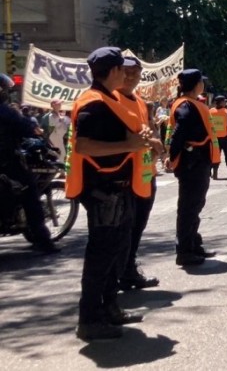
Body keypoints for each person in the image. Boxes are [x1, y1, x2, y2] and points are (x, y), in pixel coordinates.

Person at [66, 48, 150, 340]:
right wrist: (129, 146)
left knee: (115, 250)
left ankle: (109, 307)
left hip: (118, 188)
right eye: (122, 69)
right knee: (100, 255)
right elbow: (84, 146)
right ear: (113, 71)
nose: (127, 75)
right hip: (103, 191)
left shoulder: (111, 99)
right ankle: (89, 319)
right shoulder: (93, 103)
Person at [113, 57, 162, 291]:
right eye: (126, 71)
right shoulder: (112, 101)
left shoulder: (141, 102)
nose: (131, 76)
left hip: (145, 174)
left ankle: (129, 269)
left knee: (137, 226)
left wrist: (156, 145)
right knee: (123, 230)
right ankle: (119, 275)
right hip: (123, 177)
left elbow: (148, 130)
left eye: (135, 72)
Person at [0, 74, 59, 254]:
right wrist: (36, 132)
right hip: (5, 161)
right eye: (5, 89)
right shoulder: (5, 111)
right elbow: (25, 126)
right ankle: (43, 241)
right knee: (30, 192)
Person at [169, 69, 220, 266]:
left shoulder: (193, 103)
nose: (203, 85)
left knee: (195, 205)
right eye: (201, 82)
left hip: (199, 161)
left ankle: (193, 244)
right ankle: (184, 250)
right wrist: (174, 157)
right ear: (196, 84)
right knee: (189, 207)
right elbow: (178, 133)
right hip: (192, 162)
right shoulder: (185, 106)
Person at [41, 99, 70, 168]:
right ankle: (60, 169)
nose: (60, 105)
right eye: (58, 104)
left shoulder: (59, 115)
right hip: (55, 136)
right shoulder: (51, 116)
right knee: (60, 153)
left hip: (59, 136)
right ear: (53, 105)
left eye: (60, 104)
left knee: (62, 153)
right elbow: (51, 128)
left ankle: (60, 170)